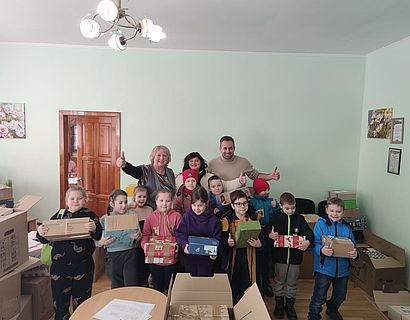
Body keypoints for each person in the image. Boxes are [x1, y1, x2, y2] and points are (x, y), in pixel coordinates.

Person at [36, 186, 103, 320]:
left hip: (83, 267)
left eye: (79, 198)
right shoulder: (59, 215)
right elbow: (44, 239)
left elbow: (98, 236)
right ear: (66, 201)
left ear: (85, 200)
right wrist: (40, 231)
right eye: (72, 198)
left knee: (82, 302)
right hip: (60, 268)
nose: (75, 201)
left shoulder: (90, 216)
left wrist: (95, 228)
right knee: (60, 303)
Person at [307, 197, 358, 320]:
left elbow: (353, 245)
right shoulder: (321, 224)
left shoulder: (347, 227)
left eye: (338, 211)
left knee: (340, 296)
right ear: (326, 210)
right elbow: (314, 244)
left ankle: (332, 309)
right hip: (324, 269)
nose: (335, 214)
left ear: (343, 212)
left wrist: (355, 254)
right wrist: (322, 250)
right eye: (332, 211)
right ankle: (313, 316)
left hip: (342, 270)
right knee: (319, 297)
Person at [267, 192, 313, 320]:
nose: (290, 211)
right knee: (279, 282)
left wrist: (308, 241)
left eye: (293, 208)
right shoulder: (275, 217)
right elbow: (267, 231)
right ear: (281, 206)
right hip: (279, 258)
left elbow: (309, 233)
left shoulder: (300, 218)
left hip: (295, 259)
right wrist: (270, 235)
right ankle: (279, 305)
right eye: (287, 208)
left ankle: (290, 306)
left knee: (292, 283)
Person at [222, 189, 263, 304]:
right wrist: (227, 242)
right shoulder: (226, 220)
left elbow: (263, 239)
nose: (242, 207)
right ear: (232, 205)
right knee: (233, 285)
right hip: (233, 258)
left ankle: (246, 308)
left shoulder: (254, 218)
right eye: (238, 204)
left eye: (244, 203)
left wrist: (259, 244)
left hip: (249, 256)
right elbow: (220, 239)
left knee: (247, 284)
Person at [98, 189, 142, 289]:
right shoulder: (105, 219)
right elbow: (98, 240)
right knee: (116, 284)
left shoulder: (132, 215)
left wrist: (138, 236)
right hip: (113, 255)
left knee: (131, 284)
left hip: (130, 253)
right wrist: (101, 242)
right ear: (112, 203)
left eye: (126, 202)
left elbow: (139, 234)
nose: (124, 205)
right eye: (120, 203)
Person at [141, 189, 182, 293]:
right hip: (155, 260)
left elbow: (181, 235)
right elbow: (146, 235)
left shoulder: (177, 216)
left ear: (172, 202)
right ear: (156, 201)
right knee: (157, 287)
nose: (164, 204)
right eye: (161, 200)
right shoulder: (150, 218)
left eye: (168, 201)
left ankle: (169, 306)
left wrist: (177, 245)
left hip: (172, 259)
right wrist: (145, 245)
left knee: (170, 286)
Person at [208, 136, 280, 192]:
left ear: (234, 148)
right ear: (220, 148)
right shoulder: (212, 164)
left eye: (230, 148)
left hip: (239, 202)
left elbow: (256, 176)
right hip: (219, 202)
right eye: (225, 148)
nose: (228, 151)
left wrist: (270, 176)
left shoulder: (243, 162)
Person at [176, 187, 222, 276]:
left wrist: (215, 252)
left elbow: (217, 239)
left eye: (200, 205)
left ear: (206, 203)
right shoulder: (187, 216)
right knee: (191, 282)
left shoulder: (214, 220)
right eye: (194, 205)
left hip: (206, 259)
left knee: (203, 282)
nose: (197, 208)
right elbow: (180, 234)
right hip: (190, 257)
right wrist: (184, 245)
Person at [248, 178, 280, 297]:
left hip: (269, 230)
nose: (266, 192)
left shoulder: (272, 201)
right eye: (263, 190)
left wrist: (275, 207)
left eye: (267, 189)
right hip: (257, 230)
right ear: (257, 191)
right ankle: (256, 284)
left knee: (267, 260)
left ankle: (266, 283)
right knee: (257, 260)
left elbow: (277, 214)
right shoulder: (252, 202)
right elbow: (249, 213)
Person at [128, 185, 153, 286]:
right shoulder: (131, 209)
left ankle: (145, 284)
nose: (142, 199)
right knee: (136, 267)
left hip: (146, 244)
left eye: (144, 197)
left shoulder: (150, 209)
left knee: (146, 267)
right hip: (135, 245)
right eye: (139, 196)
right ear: (134, 197)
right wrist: (130, 205)